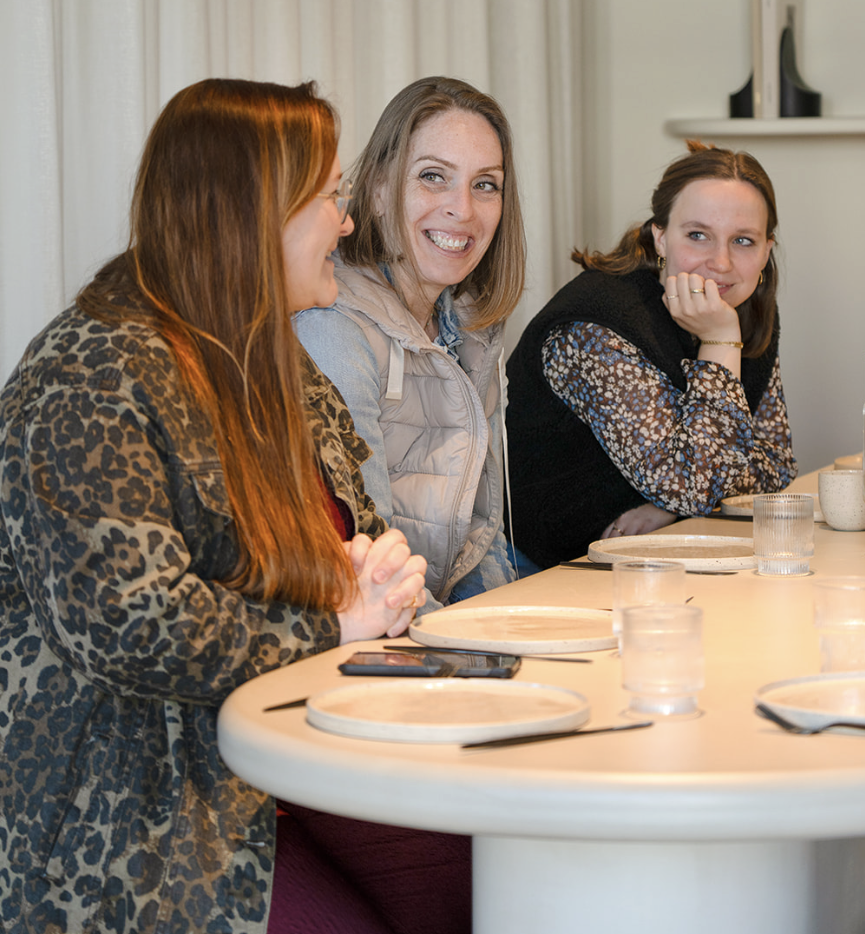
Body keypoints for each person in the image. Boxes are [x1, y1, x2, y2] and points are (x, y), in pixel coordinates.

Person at [0, 79, 474, 934]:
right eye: (327, 197)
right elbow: (134, 623)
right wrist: (334, 624)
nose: (345, 224)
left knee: (480, 870)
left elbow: (361, 541)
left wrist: (386, 584)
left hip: (299, 740)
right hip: (138, 797)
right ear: (251, 217)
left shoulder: (271, 357)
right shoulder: (90, 375)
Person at [506, 140, 797, 570]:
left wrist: (668, 506)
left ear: (766, 251)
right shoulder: (595, 325)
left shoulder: (742, 312)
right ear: (660, 237)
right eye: (697, 235)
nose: (720, 262)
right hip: (541, 568)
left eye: (743, 240)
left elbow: (777, 465)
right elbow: (696, 486)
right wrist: (719, 341)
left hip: (651, 560)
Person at [295, 76, 526, 609]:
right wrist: (465, 642)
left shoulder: (472, 324)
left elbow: (482, 535)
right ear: (378, 191)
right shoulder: (333, 327)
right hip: (387, 622)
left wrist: (508, 623)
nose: (462, 209)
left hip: (443, 616)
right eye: (433, 177)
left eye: (485, 184)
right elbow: (371, 558)